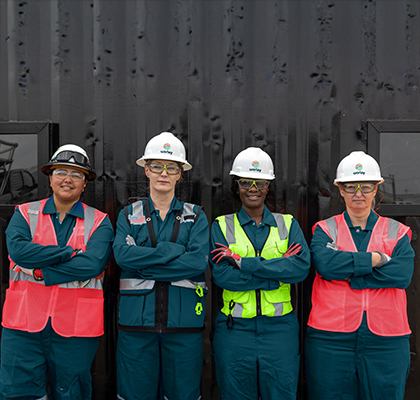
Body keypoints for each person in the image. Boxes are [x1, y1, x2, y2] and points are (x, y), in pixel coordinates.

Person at [0, 144, 114, 399]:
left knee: (71, 393)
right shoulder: (24, 213)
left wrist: (42, 272)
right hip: (23, 328)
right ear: (50, 178)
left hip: (75, 330)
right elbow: (19, 252)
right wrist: (68, 253)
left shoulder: (100, 221)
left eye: (77, 174)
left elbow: (93, 264)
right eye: (61, 171)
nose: (68, 179)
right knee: (18, 393)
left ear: (85, 183)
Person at [305, 151, 415, 400]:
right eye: (350, 187)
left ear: (376, 189)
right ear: (340, 190)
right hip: (330, 338)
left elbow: (401, 275)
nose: (358, 194)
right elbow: (327, 267)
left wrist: (351, 276)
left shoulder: (397, 231)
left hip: (387, 339)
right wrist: (375, 260)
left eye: (365, 187)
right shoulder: (325, 230)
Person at [113, 131, 209, 400]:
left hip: (185, 328)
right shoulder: (128, 215)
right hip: (136, 327)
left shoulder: (197, 215)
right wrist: (173, 250)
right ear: (146, 170)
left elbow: (197, 261)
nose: (163, 173)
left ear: (180, 174)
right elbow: (122, 257)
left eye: (171, 167)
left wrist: (144, 264)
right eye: (156, 166)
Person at [210, 147, 310, 400]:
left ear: (268, 186)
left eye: (260, 182)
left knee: (281, 394)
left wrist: (245, 264)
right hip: (234, 330)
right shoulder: (222, 226)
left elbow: (299, 269)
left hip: (280, 330)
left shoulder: (288, 224)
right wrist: (277, 272)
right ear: (237, 186)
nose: (253, 188)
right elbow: (222, 277)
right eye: (246, 182)